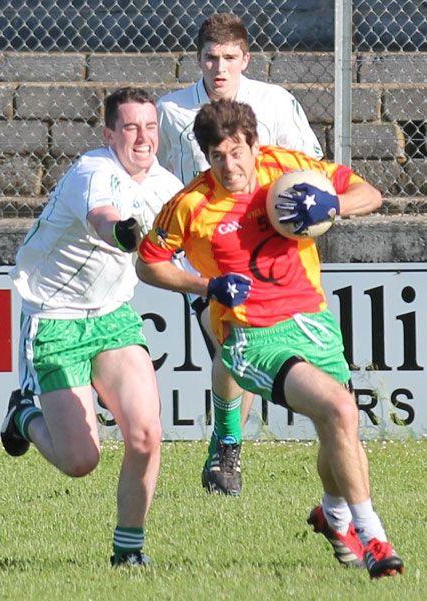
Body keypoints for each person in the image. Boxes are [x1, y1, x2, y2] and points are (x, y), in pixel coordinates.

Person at [135, 99, 404, 579]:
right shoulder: (191, 204)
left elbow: (370, 193)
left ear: (254, 145)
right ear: (205, 156)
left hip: (313, 320)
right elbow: (148, 262)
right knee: (341, 410)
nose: (230, 166)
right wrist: (206, 285)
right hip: (251, 338)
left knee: (339, 429)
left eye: (238, 153)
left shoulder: (287, 168)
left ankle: (332, 514)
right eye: (217, 156)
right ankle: (374, 538)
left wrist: (332, 205)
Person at [0, 87, 183, 567]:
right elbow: (103, 217)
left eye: (149, 127)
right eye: (130, 128)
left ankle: (129, 552)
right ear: (109, 134)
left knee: (146, 434)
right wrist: (123, 231)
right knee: (80, 462)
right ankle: (23, 414)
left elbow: (193, 242)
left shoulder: (167, 187)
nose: (142, 138)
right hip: (54, 318)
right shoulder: (93, 170)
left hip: (112, 317)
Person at [156, 13, 323, 496]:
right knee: (235, 344)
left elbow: (308, 167)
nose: (220, 67)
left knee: (240, 353)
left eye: (230, 57)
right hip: (205, 259)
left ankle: (225, 448)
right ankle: (227, 449)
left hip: (271, 256)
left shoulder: (274, 102)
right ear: (198, 59)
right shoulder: (172, 112)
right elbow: (163, 178)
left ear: (246, 59)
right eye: (211, 57)